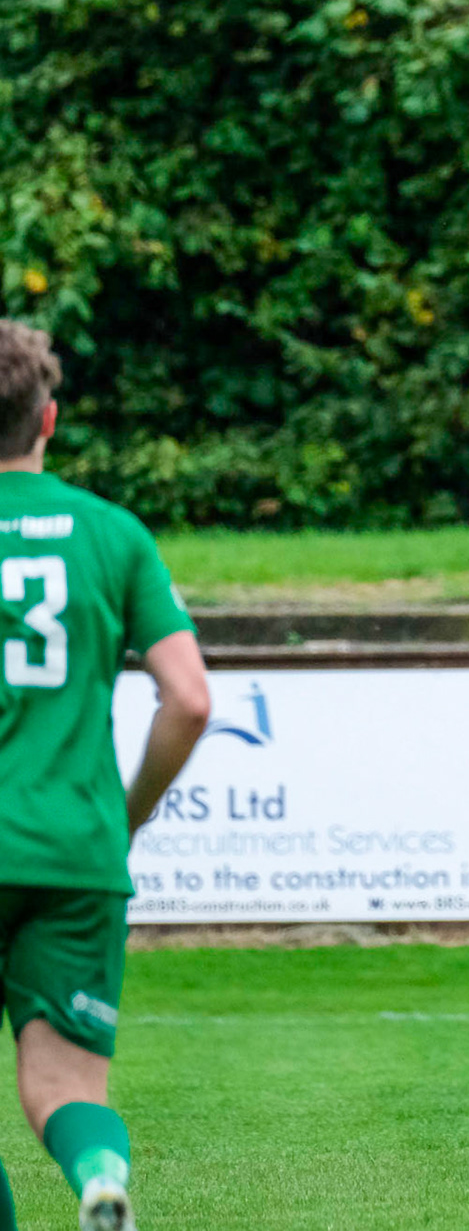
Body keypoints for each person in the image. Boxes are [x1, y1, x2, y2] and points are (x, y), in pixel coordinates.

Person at [0, 322, 210, 1231]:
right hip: (75, 849)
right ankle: (96, 1178)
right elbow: (190, 700)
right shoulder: (111, 533)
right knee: (62, 1086)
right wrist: (130, 814)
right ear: (47, 418)